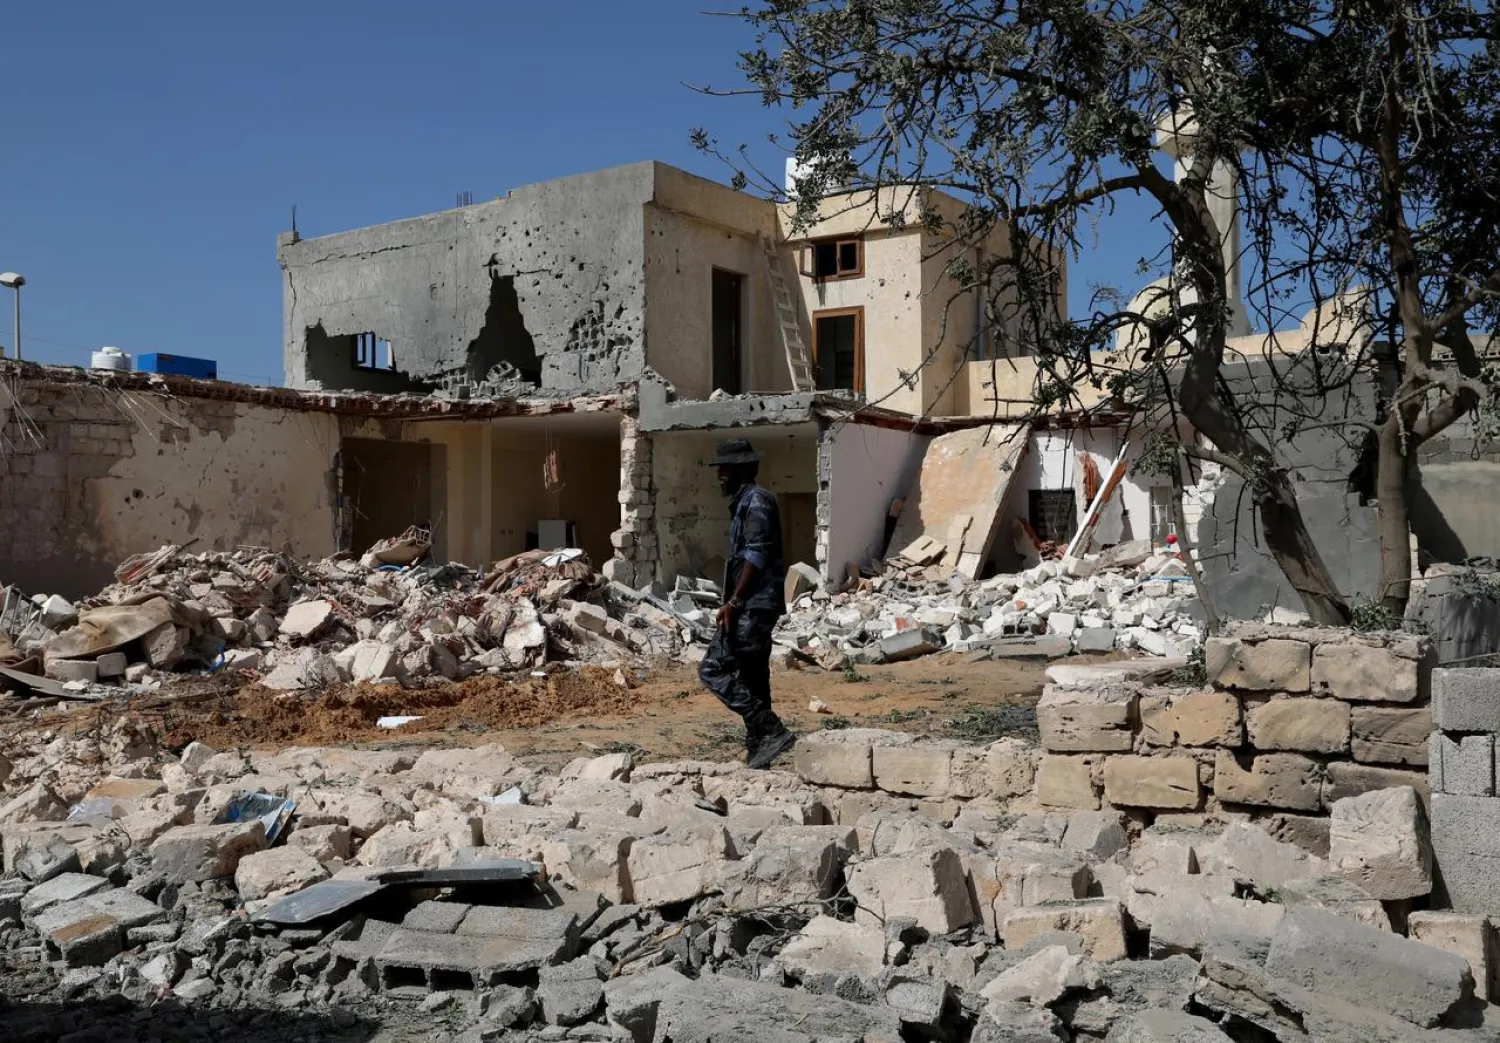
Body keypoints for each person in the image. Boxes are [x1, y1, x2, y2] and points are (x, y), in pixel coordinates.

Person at [697, 437, 796, 770]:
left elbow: (756, 554)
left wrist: (735, 601)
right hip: (753, 604)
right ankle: (759, 751)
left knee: (713, 669)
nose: (719, 476)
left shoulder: (756, 501)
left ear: (740, 469)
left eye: (724, 469)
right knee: (753, 677)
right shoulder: (745, 502)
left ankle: (772, 729)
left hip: (753, 604)